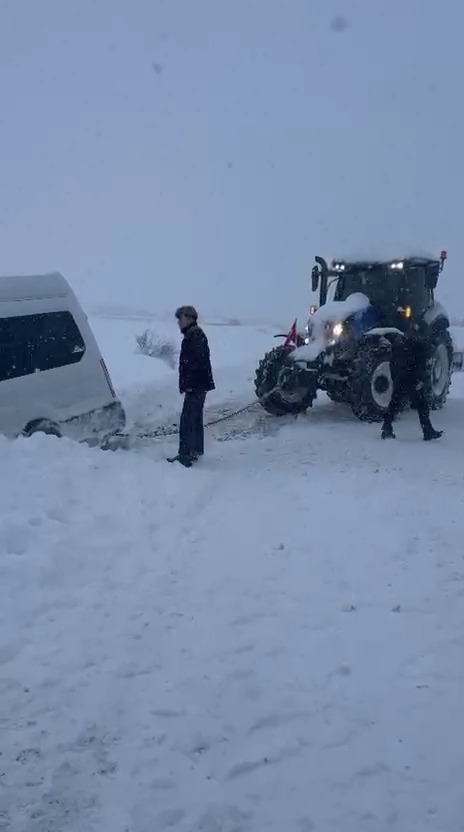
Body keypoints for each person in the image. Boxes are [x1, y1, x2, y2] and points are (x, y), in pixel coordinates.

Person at [168, 306, 215, 467]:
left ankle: (186, 456)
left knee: (188, 420)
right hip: (197, 386)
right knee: (194, 419)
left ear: (189, 318)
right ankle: (194, 452)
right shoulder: (194, 334)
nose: (178, 323)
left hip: (196, 386)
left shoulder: (195, 335)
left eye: (180, 319)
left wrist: (189, 384)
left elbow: (197, 363)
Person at [381, 327, 443, 441]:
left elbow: (393, 362)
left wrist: (396, 377)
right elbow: (420, 367)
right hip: (412, 378)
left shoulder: (402, 344)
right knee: (422, 404)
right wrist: (420, 380)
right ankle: (427, 431)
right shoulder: (423, 348)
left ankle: (387, 427)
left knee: (395, 402)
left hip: (400, 376)